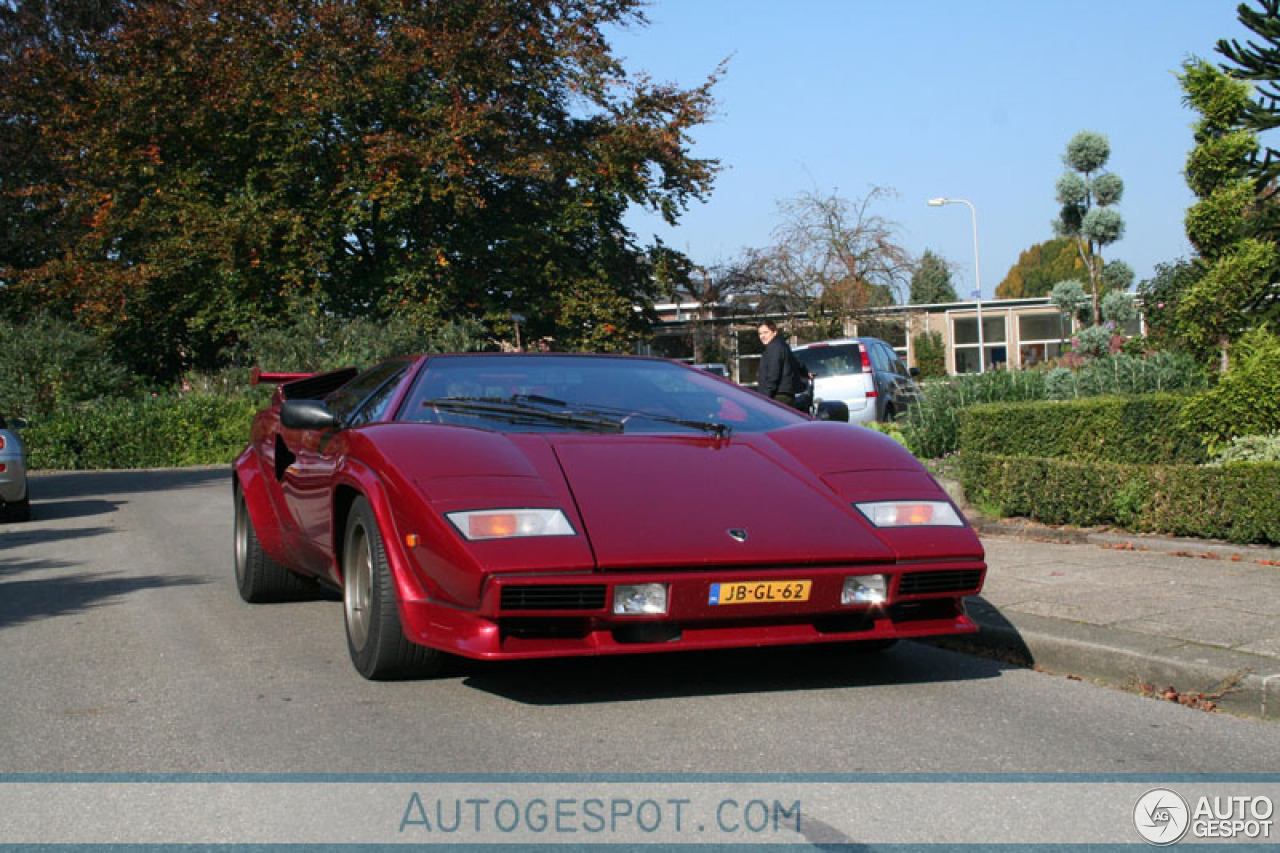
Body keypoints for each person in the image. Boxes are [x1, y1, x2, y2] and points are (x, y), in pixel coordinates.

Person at [756, 320, 808, 409]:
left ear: (774, 332)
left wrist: (765, 397)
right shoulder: (781, 345)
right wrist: (805, 373)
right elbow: (796, 363)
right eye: (760, 333)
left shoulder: (775, 348)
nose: (762, 336)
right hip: (784, 394)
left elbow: (773, 374)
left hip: (778, 395)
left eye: (766, 332)